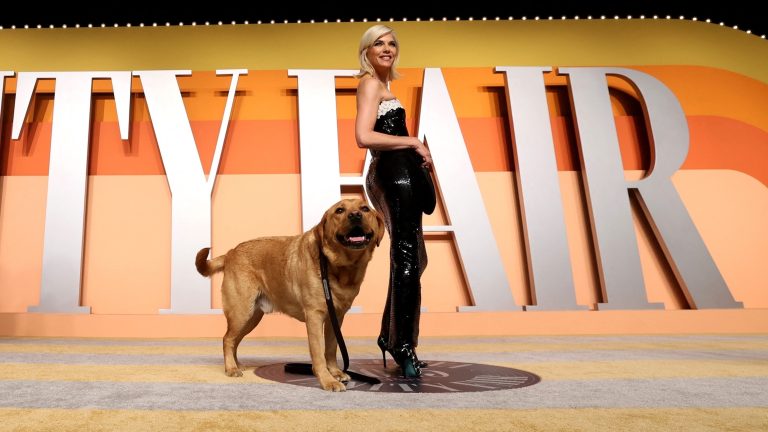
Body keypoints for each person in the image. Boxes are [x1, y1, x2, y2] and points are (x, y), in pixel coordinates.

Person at [355, 24, 435, 378]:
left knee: (416, 256)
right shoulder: (370, 84)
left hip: (400, 173)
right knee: (406, 253)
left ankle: (393, 335)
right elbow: (363, 136)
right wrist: (413, 142)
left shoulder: (385, 87)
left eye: (390, 43)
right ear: (367, 52)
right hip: (391, 174)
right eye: (378, 44)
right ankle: (403, 344)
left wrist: (417, 153)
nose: (386, 48)